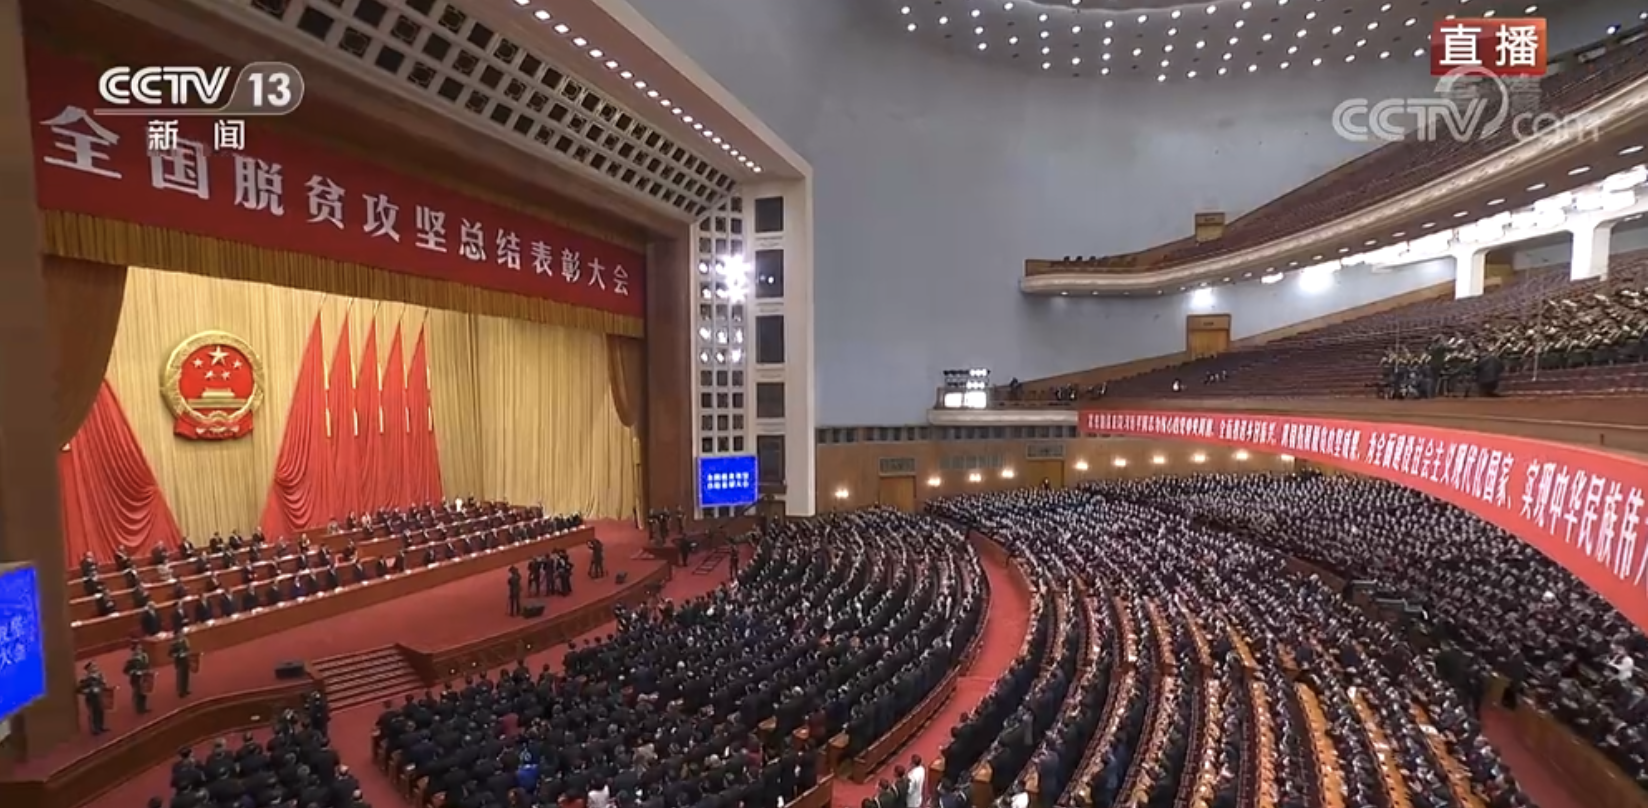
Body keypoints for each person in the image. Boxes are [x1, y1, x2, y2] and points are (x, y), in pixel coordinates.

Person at [78, 662, 109, 735]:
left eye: (95, 666)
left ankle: (100, 727)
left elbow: (102, 685)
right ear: (88, 669)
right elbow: (79, 690)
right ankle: (94, 729)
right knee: (93, 713)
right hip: (91, 698)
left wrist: (103, 684)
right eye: (93, 667)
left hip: (99, 696)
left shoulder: (99, 676)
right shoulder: (86, 679)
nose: (95, 668)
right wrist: (89, 691)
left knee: (100, 712)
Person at [124, 641, 153, 715]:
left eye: (140, 648)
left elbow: (147, 666)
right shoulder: (132, 660)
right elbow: (126, 671)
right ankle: (138, 709)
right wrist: (134, 672)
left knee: (144, 693)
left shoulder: (144, 657)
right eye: (138, 649)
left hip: (144, 678)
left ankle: (143, 707)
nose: (140, 650)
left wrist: (148, 671)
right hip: (136, 679)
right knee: (138, 694)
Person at [171, 629, 194, 698]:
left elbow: (188, 649)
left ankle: (185, 689)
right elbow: (170, 654)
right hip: (179, 661)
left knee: (186, 676)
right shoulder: (174, 644)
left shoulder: (185, 641)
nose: (181, 634)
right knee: (180, 677)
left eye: (181, 633)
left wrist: (187, 653)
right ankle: (180, 692)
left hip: (185, 660)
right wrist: (177, 654)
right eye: (179, 633)